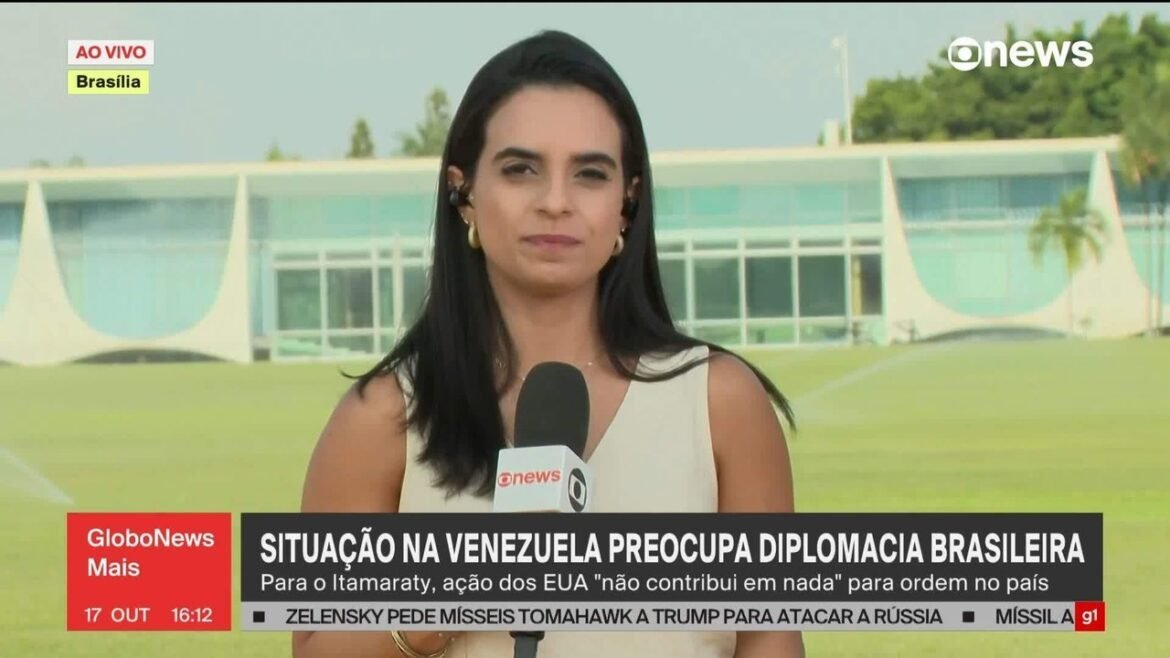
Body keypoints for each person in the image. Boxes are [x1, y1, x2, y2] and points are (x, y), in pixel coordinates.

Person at [294, 29, 803, 658]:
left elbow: (771, 638)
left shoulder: (719, 402)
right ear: (463, 193)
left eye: (590, 174)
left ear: (627, 202)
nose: (556, 202)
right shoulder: (383, 417)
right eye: (520, 169)